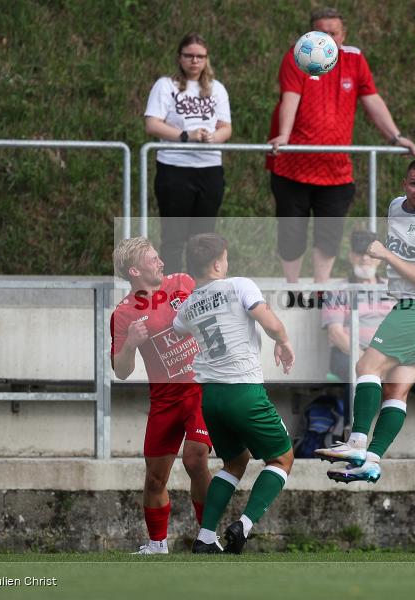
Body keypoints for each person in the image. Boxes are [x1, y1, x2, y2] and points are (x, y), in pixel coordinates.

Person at [316, 157, 415, 482]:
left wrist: (387, 256)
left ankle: (357, 442)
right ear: (404, 183)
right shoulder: (396, 206)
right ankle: (371, 462)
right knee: (395, 389)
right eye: (413, 184)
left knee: (366, 367)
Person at [267, 7, 415, 284]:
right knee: (291, 232)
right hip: (293, 165)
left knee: (329, 234)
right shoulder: (297, 56)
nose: (327, 39)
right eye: (320, 33)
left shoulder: (354, 59)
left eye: (333, 33)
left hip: (335, 168)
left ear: (343, 35)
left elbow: (371, 99)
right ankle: (292, 287)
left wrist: (395, 137)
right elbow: (291, 95)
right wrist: (285, 136)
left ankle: (320, 289)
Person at [173, 233, 295, 554]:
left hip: (211, 399)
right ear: (217, 263)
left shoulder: (186, 308)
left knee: (234, 461)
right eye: (225, 258)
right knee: (282, 458)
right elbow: (268, 322)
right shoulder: (239, 285)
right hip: (244, 391)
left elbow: (178, 326)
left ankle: (205, 537)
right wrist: (282, 341)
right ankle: (244, 524)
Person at [322, 230, 415, 460]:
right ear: (351, 256)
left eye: (369, 255)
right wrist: (368, 356)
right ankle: (353, 435)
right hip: (351, 351)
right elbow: (336, 333)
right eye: (359, 254)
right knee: (361, 370)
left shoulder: (391, 288)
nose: (365, 259)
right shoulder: (340, 290)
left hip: (393, 351)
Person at [111, 237, 212, 555]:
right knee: (155, 478)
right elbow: (121, 370)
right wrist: (130, 345)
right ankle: (157, 545)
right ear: (134, 270)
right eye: (153, 259)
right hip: (165, 399)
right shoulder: (124, 314)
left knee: (196, 460)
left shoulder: (183, 282)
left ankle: (208, 536)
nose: (161, 263)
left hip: (199, 388)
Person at [144, 32, 233, 274]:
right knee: (173, 237)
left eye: (200, 56)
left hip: (209, 169)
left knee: (203, 238)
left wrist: (213, 137)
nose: (195, 61)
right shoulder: (165, 85)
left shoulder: (217, 89)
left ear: (207, 59)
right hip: (174, 168)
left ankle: (199, 289)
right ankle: (172, 291)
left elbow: (226, 128)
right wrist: (186, 136)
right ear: (180, 57)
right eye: (189, 56)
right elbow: (152, 124)